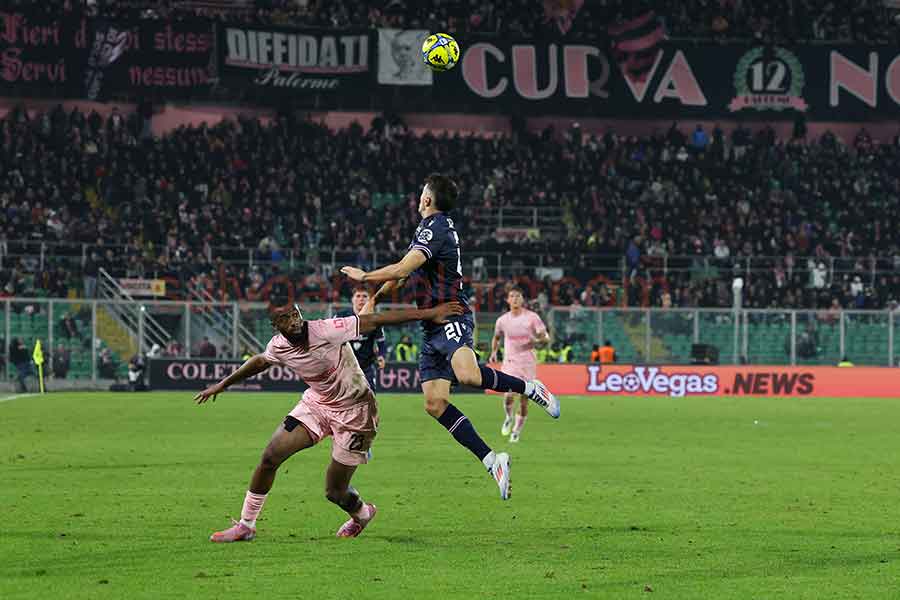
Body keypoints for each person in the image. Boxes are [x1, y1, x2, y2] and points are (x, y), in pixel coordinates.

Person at [341, 173, 559, 501]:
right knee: (434, 403)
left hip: (449, 314)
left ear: (428, 199)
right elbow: (403, 274)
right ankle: (493, 461)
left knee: (468, 375)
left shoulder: (436, 228)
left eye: (421, 193)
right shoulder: (427, 230)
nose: (418, 198)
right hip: (431, 324)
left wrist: (365, 277)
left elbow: (401, 269)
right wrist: (376, 298)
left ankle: (530, 388)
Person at [195, 300, 463, 542]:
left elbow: (376, 320)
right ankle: (246, 525)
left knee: (335, 492)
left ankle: (363, 513)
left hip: (356, 412)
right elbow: (261, 361)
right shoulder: (278, 345)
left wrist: (430, 313)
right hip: (318, 405)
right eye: (286, 318)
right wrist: (223, 384)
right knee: (270, 457)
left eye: (295, 314)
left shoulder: (327, 329)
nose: (294, 321)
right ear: (275, 325)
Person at [489, 287, 550, 443]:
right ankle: (508, 417)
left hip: (528, 363)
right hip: (510, 362)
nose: (515, 298)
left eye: (518, 296)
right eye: (512, 296)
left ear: (522, 299)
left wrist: (536, 341)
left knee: (524, 401)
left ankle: (516, 431)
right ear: (507, 300)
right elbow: (496, 337)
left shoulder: (532, 318)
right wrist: (494, 352)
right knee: (509, 395)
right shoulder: (502, 320)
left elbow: (545, 338)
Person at [336, 287, 386, 390]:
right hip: (345, 366)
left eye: (364, 296)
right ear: (352, 299)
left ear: (369, 300)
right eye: (358, 296)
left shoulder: (375, 319)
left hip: (366, 365)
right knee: (344, 396)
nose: (361, 299)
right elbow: (331, 337)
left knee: (369, 394)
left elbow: (381, 341)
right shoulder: (341, 317)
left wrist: (381, 355)